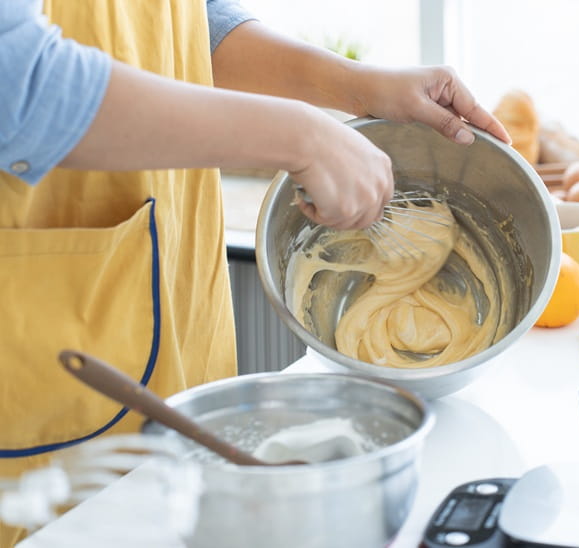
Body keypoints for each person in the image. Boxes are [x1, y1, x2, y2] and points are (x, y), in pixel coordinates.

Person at [0, 0, 510, 544]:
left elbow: (173, 23)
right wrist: (300, 136)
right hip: (40, 389)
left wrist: (354, 86)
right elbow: (17, 81)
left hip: (162, 302)